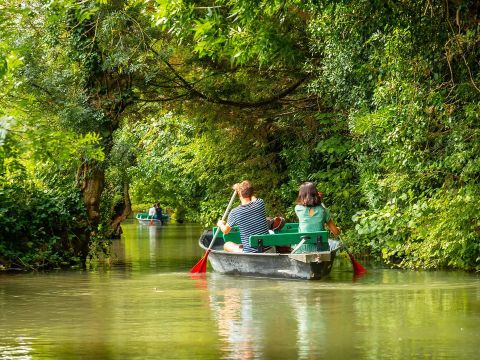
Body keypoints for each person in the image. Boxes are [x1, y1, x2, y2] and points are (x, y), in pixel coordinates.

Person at [217, 181, 270, 253]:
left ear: (239, 194)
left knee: (227, 245)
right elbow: (253, 197)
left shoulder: (235, 212)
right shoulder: (260, 203)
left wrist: (220, 224)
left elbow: (226, 231)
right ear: (251, 193)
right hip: (267, 248)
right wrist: (239, 189)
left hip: (250, 251)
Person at [293, 182, 340, 253]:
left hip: (303, 248)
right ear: (315, 194)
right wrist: (320, 200)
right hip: (321, 249)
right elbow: (336, 232)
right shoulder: (323, 210)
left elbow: (303, 203)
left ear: (302, 196)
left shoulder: (298, 209)